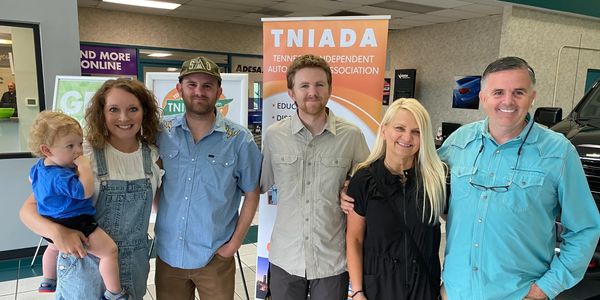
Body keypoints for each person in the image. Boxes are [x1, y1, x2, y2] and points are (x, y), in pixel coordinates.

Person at [438, 56, 600, 299]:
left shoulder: (558, 152)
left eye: (518, 92)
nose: (507, 101)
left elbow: (585, 229)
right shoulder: (458, 143)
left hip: (519, 295)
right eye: (498, 92)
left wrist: (546, 288)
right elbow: (421, 194)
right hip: (456, 292)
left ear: (532, 97)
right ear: (483, 97)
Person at [20, 78, 163, 300]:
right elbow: (28, 209)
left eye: (133, 109)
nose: (124, 118)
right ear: (101, 113)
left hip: (134, 266)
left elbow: (161, 207)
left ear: (144, 112)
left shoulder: (153, 155)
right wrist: (57, 233)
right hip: (82, 264)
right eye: (114, 109)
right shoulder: (80, 153)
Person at [260, 54, 369, 300]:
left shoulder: (351, 136)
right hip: (285, 257)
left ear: (330, 89)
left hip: (331, 260)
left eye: (320, 84)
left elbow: (368, 189)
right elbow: (260, 184)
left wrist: (350, 187)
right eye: (304, 85)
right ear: (291, 92)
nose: (313, 92)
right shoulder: (274, 136)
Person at [154, 56, 262, 300]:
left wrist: (233, 245)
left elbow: (252, 193)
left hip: (215, 256)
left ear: (218, 91)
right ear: (179, 89)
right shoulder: (162, 132)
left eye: (207, 86)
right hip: (169, 254)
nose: (199, 92)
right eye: (191, 84)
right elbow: (151, 178)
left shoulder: (239, 139)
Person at [346, 98, 447, 300]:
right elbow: (354, 239)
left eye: (416, 131)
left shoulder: (436, 179)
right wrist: (357, 291)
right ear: (384, 130)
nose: (407, 137)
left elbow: (462, 231)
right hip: (378, 287)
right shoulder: (364, 179)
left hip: (423, 288)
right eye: (399, 128)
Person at [27, 111, 126, 299]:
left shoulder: (40, 167)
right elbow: (85, 191)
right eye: (70, 146)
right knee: (109, 251)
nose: (78, 151)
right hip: (75, 221)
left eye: (80, 143)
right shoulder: (61, 176)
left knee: (53, 247)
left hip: (49, 218)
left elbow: (31, 179)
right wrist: (84, 167)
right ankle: (115, 292)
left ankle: (48, 279)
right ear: (47, 150)